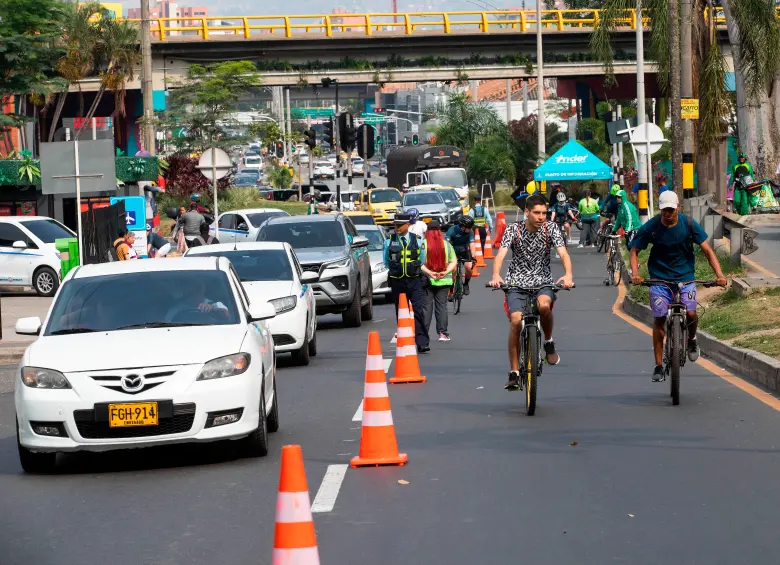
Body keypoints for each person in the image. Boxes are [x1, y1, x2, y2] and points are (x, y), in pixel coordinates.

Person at [629, 191, 728, 382]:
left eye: (671, 210)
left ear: (678, 208)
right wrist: (635, 274)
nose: (668, 214)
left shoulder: (688, 224)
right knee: (658, 318)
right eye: (665, 210)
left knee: (691, 313)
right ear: (660, 209)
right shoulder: (652, 226)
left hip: (685, 276)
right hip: (659, 278)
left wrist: (720, 275)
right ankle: (658, 366)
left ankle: (691, 340)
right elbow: (634, 250)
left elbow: (707, 250)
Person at [490, 193, 574, 390]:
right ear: (526, 212)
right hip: (516, 284)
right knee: (516, 321)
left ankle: (549, 341)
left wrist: (568, 274)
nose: (541, 217)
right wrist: (496, 275)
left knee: (544, 306)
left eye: (544, 213)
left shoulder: (551, 229)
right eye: (537, 213)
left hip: (542, 281)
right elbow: (500, 255)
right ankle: (514, 373)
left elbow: (563, 254)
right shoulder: (513, 230)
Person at [384, 213, 430, 353]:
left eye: (399, 225)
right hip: (397, 281)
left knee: (418, 310)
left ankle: (422, 342)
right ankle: (404, 339)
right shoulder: (389, 241)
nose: (396, 227)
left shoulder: (418, 240)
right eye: (395, 225)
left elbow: (422, 260)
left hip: (414, 280)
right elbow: (386, 261)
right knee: (401, 311)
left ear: (408, 225)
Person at [421, 220, 457, 342]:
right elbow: (454, 261)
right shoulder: (447, 245)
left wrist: (430, 273)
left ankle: (424, 333)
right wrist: (445, 272)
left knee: (426, 307)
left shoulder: (423, 245)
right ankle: (443, 333)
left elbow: (419, 263)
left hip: (427, 281)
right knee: (442, 307)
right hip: (444, 281)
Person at [445, 215, 477, 296]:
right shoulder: (451, 230)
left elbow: (472, 245)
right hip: (453, 251)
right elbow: (447, 246)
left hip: (464, 251)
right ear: (463, 226)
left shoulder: (470, 232)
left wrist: (473, 257)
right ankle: (451, 290)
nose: (470, 229)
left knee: (469, 267)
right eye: (469, 227)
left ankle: (466, 284)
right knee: (453, 269)